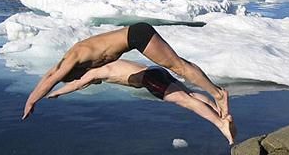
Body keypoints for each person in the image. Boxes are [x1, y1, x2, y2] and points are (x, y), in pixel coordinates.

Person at [22, 22, 229, 120]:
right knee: (178, 65)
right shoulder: (72, 63)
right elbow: (49, 75)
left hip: (137, 35)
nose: (81, 77)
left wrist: (32, 100)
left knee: (178, 66)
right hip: (136, 38)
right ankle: (216, 104)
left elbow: (53, 78)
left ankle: (218, 94)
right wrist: (51, 92)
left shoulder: (72, 58)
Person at [46, 59, 236, 145]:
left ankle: (221, 124)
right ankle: (220, 112)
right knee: (190, 95)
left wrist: (57, 93)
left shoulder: (94, 72)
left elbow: (79, 84)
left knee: (185, 101)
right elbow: (83, 84)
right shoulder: (103, 64)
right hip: (155, 71)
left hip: (150, 80)